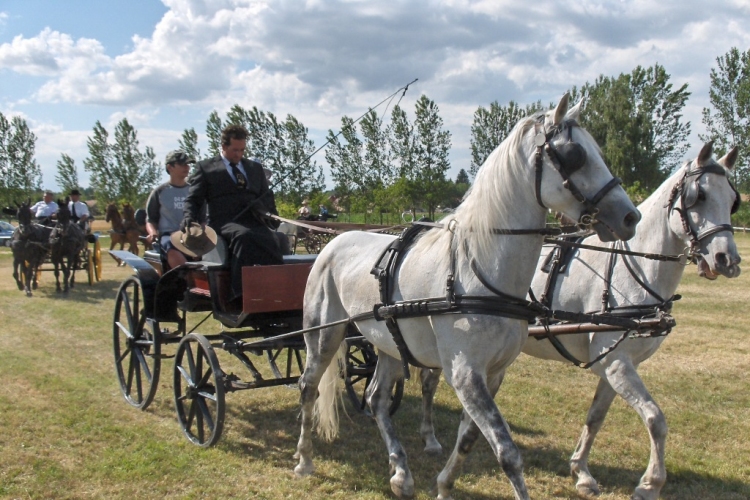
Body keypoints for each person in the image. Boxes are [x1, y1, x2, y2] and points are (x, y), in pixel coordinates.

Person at [182, 124, 285, 305]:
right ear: (223, 146)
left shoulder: (254, 168)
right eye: (235, 150)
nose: (239, 154)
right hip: (224, 222)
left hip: (253, 220)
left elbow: (266, 196)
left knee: (275, 239)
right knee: (243, 236)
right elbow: (194, 199)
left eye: (242, 150)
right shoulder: (206, 168)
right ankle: (239, 294)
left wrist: (272, 217)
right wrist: (189, 218)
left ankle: (276, 290)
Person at [145, 150, 198, 269]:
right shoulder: (159, 192)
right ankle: (188, 278)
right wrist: (152, 232)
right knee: (170, 244)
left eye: (188, 164)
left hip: (191, 235)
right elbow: (150, 219)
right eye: (183, 164)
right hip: (168, 236)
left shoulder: (194, 192)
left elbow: (203, 217)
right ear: (170, 167)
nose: (187, 167)